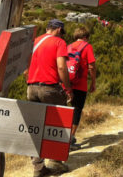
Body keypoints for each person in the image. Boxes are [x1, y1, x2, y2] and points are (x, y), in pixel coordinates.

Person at [27, 19, 73, 177]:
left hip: (31, 88)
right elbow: (61, 67)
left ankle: (38, 168)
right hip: (50, 88)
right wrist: (68, 88)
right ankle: (55, 162)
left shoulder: (35, 41)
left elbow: (26, 65)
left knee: (36, 127)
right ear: (59, 29)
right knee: (57, 125)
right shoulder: (59, 42)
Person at [64, 26, 96, 151]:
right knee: (76, 111)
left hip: (66, 84)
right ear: (85, 37)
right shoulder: (87, 47)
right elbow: (91, 67)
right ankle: (70, 139)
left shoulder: (68, 47)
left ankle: (64, 137)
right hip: (80, 85)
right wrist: (93, 82)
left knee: (66, 111)